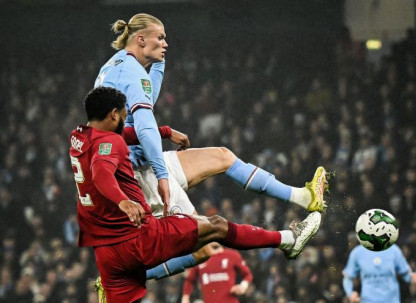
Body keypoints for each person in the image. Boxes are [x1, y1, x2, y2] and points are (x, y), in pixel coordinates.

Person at [94, 12, 329, 281]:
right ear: (141, 39)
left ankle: (303, 197)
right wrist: (162, 176)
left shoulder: (116, 67)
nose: (165, 43)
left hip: (140, 161)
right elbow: (145, 128)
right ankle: (288, 240)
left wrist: (159, 64)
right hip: (137, 173)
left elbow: (139, 109)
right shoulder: (131, 71)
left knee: (222, 157)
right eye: (160, 38)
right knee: (209, 235)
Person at [70, 86, 322, 303]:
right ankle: (289, 239)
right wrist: (123, 200)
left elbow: (120, 139)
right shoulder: (110, 145)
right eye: (124, 117)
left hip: (106, 254)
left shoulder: (79, 137)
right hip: (140, 239)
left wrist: (166, 132)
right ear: (113, 114)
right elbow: (102, 171)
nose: (125, 121)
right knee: (217, 226)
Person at [342, 244, 416, 303]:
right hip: (368, 300)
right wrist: (350, 293)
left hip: (391, 300)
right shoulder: (358, 252)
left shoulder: (394, 250)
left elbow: (406, 274)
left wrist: (412, 278)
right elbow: (347, 278)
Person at [181, 243, 252, 303]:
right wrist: (185, 297)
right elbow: (190, 280)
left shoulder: (232, 255)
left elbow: (247, 274)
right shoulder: (200, 257)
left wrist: (242, 286)